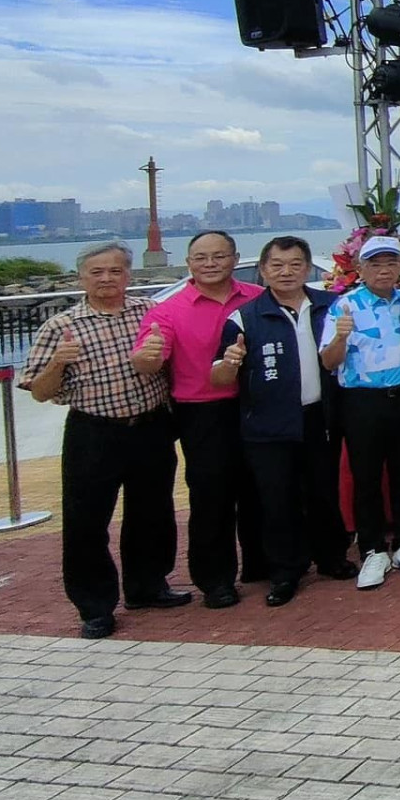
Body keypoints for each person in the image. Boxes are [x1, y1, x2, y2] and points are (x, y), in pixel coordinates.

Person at [22, 241, 182, 639]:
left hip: (150, 426)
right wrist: (58, 362)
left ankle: (148, 586)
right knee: (86, 522)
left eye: (116, 271)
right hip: (93, 432)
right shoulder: (60, 326)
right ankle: (94, 606)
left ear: (128, 275)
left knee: (153, 512)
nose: (107, 278)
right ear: (81, 277)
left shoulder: (150, 312)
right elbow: (39, 392)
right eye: (97, 272)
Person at [213, 236, 354, 606]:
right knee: (277, 500)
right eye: (276, 265)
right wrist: (229, 363)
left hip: (319, 418)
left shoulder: (331, 306)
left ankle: (331, 557)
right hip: (268, 424)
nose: (286, 272)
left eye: (295, 264)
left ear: (308, 268)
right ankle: (284, 572)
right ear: (263, 270)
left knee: (323, 492)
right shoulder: (244, 317)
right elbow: (219, 376)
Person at [131, 230, 262, 608]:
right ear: (189, 263)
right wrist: (146, 357)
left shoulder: (256, 297)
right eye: (201, 258)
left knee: (260, 488)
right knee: (211, 497)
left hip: (255, 405)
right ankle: (215, 580)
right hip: (202, 412)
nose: (210, 264)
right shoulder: (168, 311)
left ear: (235, 258)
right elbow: (147, 360)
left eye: (219, 256)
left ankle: (262, 564)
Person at [320, 235, 400, 590]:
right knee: (366, 477)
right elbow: (328, 362)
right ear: (360, 269)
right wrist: (340, 337)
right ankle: (372, 548)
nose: (384, 270)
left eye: (390, 263)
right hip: (362, 402)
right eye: (375, 264)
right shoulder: (344, 306)